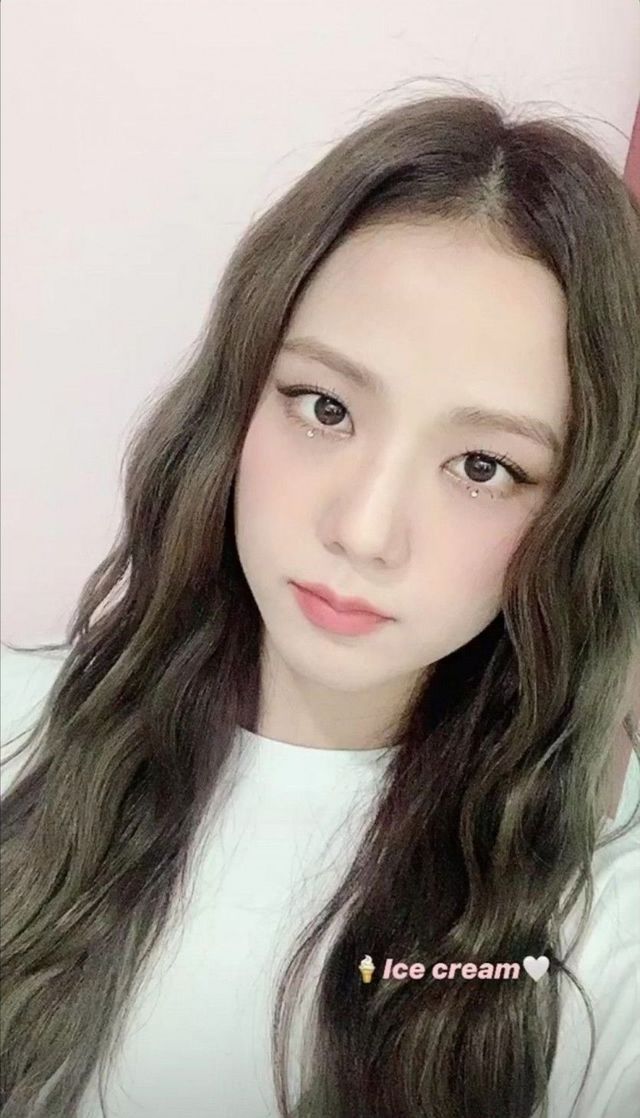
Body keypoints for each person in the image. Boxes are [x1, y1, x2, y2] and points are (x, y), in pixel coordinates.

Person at [1, 89, 639, 1118]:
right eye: (327, 406)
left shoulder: (597, 909)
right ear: (238, 400)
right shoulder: (18, 728)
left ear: (574, 513)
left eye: (483, 465)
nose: (364, 529)